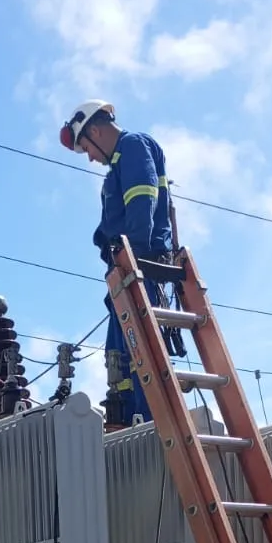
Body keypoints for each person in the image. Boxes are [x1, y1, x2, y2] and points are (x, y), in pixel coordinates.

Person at [60, 99, 185, 429]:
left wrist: (131, 259)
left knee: (139, 358)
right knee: (119, 356)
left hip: (140, 273)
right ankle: (128, 418)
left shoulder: (132, 147)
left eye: (86, 147)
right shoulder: (120, 164)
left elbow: (142, 204)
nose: (90, 156)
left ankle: (146, 424)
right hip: (126, 276)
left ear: (96, 131)